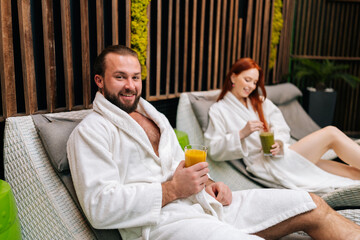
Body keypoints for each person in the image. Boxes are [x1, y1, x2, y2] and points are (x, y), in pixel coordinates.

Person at [67, 45, 360, 240]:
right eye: (120, 77)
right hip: (163, 223)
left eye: (135, 77)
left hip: (206, 204)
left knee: (311, 203)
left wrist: (209, 183)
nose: (131, 85)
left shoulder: (154, 117)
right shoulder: (91, 132)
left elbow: (177, 164)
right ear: (100, 80)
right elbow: (99, 207)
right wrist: (171, 190)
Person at [204, 57, 360, 194]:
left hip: (281, 156)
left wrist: (278, 142)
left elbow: (282, 127)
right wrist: (242, 133)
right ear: (233, 77)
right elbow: (214, 148)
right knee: (331, 133)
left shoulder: (260, 102)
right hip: (265, 165)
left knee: (352, 174)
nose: (251, 86)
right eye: (247, 79)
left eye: (255, 82)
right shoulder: (219, 110)